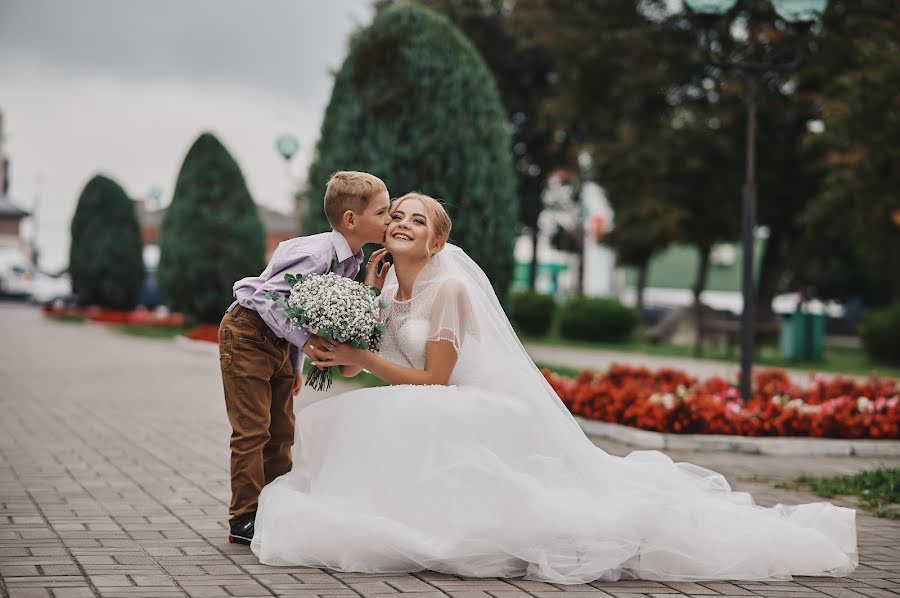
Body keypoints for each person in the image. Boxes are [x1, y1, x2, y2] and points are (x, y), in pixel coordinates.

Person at [250, 192, 858, 582]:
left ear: (437, 242)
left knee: (392, 420)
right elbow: (380, 360)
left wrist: (362, 356)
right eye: (399, 215)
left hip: (454, 402)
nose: (404, 223)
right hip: (418, 397)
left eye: (419, 220)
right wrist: (337, 354)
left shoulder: (451, 290)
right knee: (346, 413)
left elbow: (433, 381)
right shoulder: (385, 287)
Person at [219, 171, 392, 545]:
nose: (389, 219)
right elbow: (268, 299)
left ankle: (274, 508)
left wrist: (294, 362)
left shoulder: (350, 261)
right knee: (253, 428)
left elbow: (303, 310)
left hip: (279, 341)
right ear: (351, 220)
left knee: (282, 430)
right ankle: (243, 516)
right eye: (382, 212)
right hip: (248, 333)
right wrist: (303, 341)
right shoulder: (317, 254)